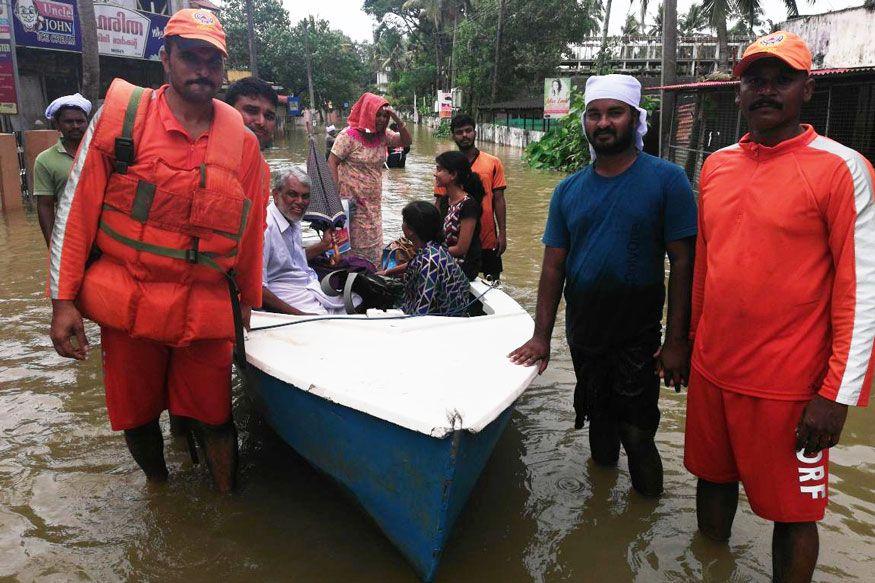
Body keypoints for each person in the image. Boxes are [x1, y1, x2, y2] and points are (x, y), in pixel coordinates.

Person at [47, 9, 268, 493]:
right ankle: (159, 490)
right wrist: (63, 302)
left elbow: (251, 232)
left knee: (215, 415)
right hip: (130, 299)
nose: (203, 69)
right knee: (137, 416)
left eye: (214, 60)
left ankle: (225, 505)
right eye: (191, 55)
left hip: (205, 304)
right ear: (166, 58)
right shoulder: (122, 118)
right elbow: (76, 212)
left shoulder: (243, 144)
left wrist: (247, 302)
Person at [683, 32, 874, 582]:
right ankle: (709, 569)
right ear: (739, 91)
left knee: (793, 516)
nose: (766, 91)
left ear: (807, 88)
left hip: (791, 388)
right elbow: (705, 267)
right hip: (714, 372)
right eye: (755, 80)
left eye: (782, 79)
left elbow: (861, 294)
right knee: (711, 481)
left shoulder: (843, 169)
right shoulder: (716, 166)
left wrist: (835, 397)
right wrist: (689, 345)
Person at [509, 74, 697, 498]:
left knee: (638, 435)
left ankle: (645, 516)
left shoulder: (667, 180)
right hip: (585, 333)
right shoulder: (568, 190)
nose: (603, 123)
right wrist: (541, 337)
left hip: (639, 335)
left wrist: (677, 342)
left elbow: (684, 263)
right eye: (594, 114)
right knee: (598, 422)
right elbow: (553, 268)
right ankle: (601, 519)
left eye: (615, 112)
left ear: (634, 118)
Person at [327, 92, 412, 265]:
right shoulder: (348, 136)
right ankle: (350, 276)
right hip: (351, 201)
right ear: (367, 113)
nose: (381, 119)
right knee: (351, 242)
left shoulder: (383, 136)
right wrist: (334, 195)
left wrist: (397, 118)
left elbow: (406, 141)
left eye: (384, 116)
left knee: (373, 240)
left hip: (373, 203)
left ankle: (370, 273)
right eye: (377, 115)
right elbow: (332, 161)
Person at [262, 167, 347, 315]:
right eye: (292, 194)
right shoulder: (265, 228)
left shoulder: (292, 219)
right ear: (276, 195)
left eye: (305, 196)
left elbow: (293, 260)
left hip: (307, 284)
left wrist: (323, 246)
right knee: (327, 320)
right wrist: (302, 317)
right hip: (286, 292)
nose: (300, 202)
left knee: (357, 298)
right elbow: (257, 288)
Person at [434, 114, 507, 281]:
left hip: (487, 236)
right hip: (455, 239)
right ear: (453, 135)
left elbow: (499, 199)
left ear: (475, 132)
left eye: (468, 131)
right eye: (459, 132)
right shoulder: (445, 166)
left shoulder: (493, 162)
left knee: (492, 280)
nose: (465, 135)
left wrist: (502, 233)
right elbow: (439, 202)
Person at [33, 93, 91, 246]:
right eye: (68, 121)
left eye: (80, 121)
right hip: (69, 235)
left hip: (104, 234)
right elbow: (45, 205)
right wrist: (52, 245)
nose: (75, 126)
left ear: (87, 123)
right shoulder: (45, 160)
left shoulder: (101, 153)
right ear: (57, 125)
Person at [399, 201, 471, 316]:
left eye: (404, 222)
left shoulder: (430, 261)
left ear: (411, 230)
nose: (402, 225)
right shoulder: (435, 247)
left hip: (441, 322)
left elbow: (420, 312)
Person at [435, 150, 484, 281]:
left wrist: (434, 253)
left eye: (439, 170)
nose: (435, 174)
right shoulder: (445, 201)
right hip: (445, 259)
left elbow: (461, 249)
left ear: (453, 175)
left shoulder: (468, 205)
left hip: (464, 266)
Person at [225, 76, 278, 150]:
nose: (261, 122)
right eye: (251, 111)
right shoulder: (207, 158)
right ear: (227, 112)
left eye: (269, 116)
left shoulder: (259, 161)